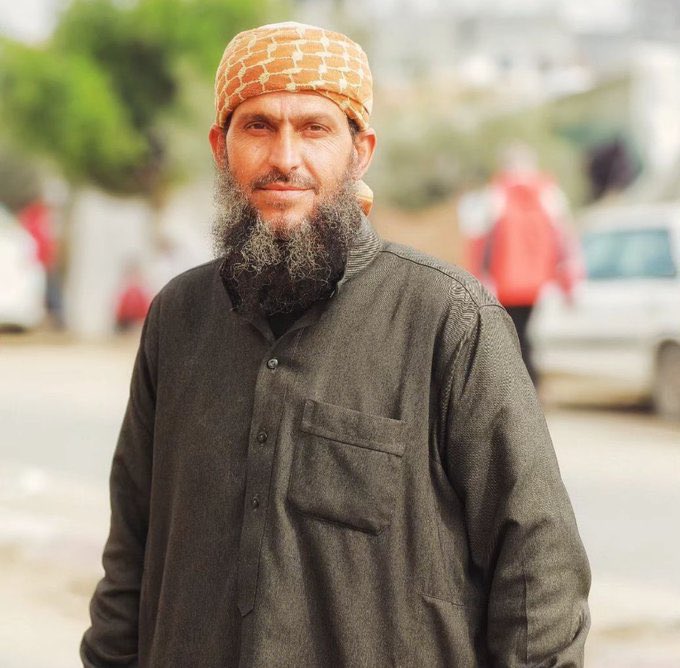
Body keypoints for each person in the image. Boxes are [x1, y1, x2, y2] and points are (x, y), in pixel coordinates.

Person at [82, 22, 590, 667]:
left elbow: (538, 572)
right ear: (220, 147)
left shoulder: (447, 319)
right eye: (258, 126)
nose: (284, 157)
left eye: (314, 128)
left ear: (360, 151)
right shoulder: (178, 318)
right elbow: (131, 548)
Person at [461, 144, 581, 385]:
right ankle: (531, 385)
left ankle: (519, 387)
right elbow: (564, 240)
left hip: (505, 282)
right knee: (525, 335)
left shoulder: (495, 195)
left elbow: (481, 241)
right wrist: (568, 281)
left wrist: (479, 276)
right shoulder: (550, 194)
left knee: (511, 335)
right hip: (538, 282)